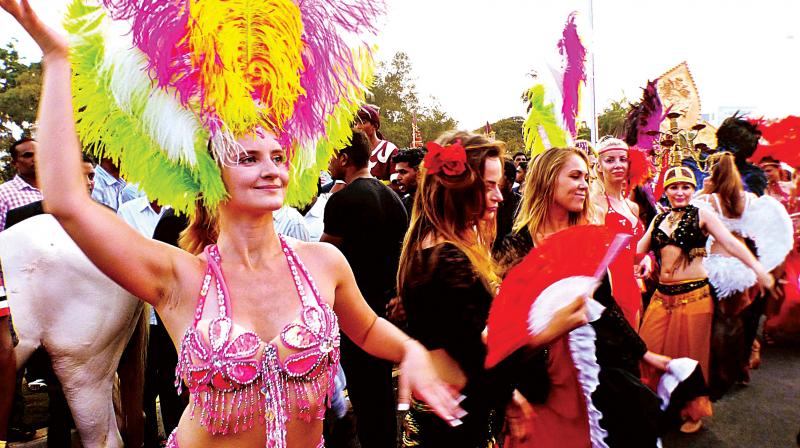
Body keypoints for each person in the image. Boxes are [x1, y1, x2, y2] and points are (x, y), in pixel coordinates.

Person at [0, 3, 463, 448]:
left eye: (278, 157)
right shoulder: (178, 276)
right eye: (249, 158)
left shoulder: (323, 262)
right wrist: (58, 59)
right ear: (212, 173)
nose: (272, 170)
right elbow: (66, 203)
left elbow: (364, 330)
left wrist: (410, 352)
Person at [497, 147, 679, 448]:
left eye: (587, 176)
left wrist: (642, 352)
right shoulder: (515, 247)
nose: (584, 184)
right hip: (540, 378)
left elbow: (605, 306)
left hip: (592, 369)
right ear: (547, 180)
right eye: (574, 176)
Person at [636, 165, 775, 432]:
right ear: (665, 190)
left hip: (694, 296)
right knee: (647, 349)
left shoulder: (703, 215)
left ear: (693, 189)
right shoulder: (658, 220)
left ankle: (692, 411)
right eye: (674, 187)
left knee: (690, 355)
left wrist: (758, 269)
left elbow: (732, 244)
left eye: (686, 186)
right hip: (661, 297)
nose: (680, 192)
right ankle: (655, 402)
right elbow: (637, 250)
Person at [398, 131, 505, 446]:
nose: (499, 196)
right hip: (454, 422)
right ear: (460, 186)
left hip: (446, 413)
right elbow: (475, 350)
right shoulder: (446, 256)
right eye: (489, 186)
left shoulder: (437, 243)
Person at [322, 131, 409, 448]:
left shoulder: (342, 201)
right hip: (385, 310)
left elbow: (323, 258)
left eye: (332, 155)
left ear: (344, 159)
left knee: (360, 390)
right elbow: (405, 253)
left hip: (353, 313)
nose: (329, 162)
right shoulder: (393, 198)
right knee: (380, 393)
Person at [693, 153, 793, 397]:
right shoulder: (749, 199)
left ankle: (720, 372)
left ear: (714, 175)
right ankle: (743, 364)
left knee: (717, 324)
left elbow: (686, 216)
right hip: (742, 269)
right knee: (739, 321)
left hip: (715, 268)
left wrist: (702, 190)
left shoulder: (708, 200)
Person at [0, 137, 42, 445]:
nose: (34, 160)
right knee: (11, 352)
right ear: (16, 162)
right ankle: (11, 422)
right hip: (16, 289)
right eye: (27, 156)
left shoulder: (56, 191)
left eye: (38, 154)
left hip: (56, 286)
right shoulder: (5, 194)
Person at [590, 137, 646, 329]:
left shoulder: (632, 207)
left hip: (633, 287)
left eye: (622, 159)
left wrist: (644, 259)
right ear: (599, 166)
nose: (618, 165)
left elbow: (636, 250)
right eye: (610, 160)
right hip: (610, 290)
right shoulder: (594, 204)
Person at [356, 104, 399, 182]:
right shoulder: (354, 151)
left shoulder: (389, 149)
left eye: (363, 122)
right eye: (356, 123)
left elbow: (397, 184)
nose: (358, 127)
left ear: (374, 126)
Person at [392, 148, 424, 214]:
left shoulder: (436, 203)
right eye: (397, 172)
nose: (398, 178)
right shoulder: (401, 207)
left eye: (403, 172)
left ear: (420, 173)